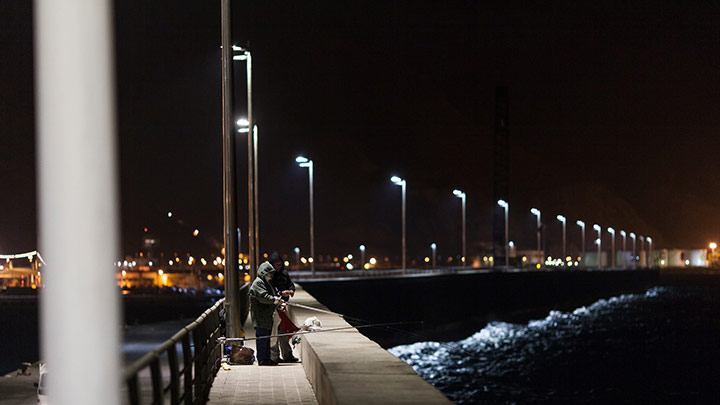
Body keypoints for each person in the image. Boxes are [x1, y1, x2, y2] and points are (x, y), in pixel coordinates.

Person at [249, 258, 291, 366]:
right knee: (262, 338)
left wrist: (278, 302)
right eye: (270, 273)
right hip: (260, 316)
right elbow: (263, 297)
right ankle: (262, 359)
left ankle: (267, 358)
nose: (271, 275)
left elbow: (273, 294)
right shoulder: (258, 283)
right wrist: (275, 300)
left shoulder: (267, 282)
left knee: (267, 338)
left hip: (266, 316)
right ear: (264, 273)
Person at [267, 252, 299, 363]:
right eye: (276, 264)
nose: (278, 266)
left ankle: (288, 355)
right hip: (274, 306)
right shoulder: (270, 275)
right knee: (274, 333)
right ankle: (274, 357)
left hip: (284, 306)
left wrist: (291, 291)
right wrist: (281, 293)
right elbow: (271, 290)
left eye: (280, 264)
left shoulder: (284, 274)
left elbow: (291, 284)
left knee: (284, 332)